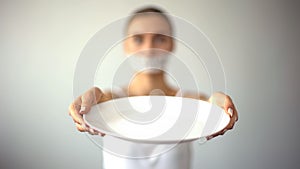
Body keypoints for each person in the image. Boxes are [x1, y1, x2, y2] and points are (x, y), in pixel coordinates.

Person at [68, 6, 238, 169]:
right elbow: (98, 99)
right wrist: (92, 100)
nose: (149, 48)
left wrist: (218, 105)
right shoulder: (108, 103)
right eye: (138, 39)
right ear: (125, 45)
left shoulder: (191, 102)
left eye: (160, 38)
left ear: (172, 45)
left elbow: (210, 105)